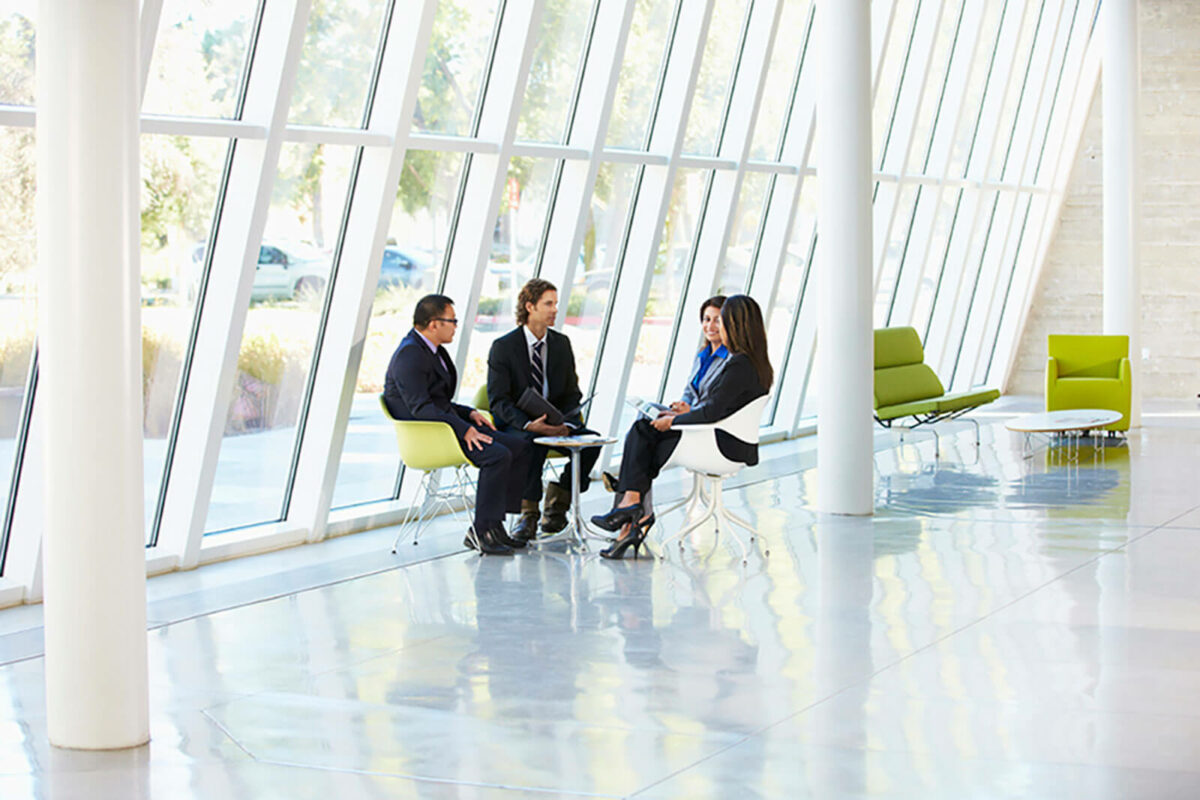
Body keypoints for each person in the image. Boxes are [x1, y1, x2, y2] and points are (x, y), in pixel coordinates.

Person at [591, 294, 773, 559]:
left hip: (721, 443)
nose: (717, 328)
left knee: (644, 434)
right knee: (645, 434)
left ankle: (633, 509)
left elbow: (711, 411)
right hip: (721, 436)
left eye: (723, 322)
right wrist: (674, 417)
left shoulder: (740, 364)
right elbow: (715, 406)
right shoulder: (751, 362)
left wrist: (672, 421)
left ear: (736, 325)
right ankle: (632, 513)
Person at [384, 294, 532, 555]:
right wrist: (464, 429)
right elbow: (421, 409)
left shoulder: (432, 351)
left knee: (520, 447)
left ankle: (494, 525)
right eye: (451, 321)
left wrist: (469, 413)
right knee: (497, 456)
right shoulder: (410, 354)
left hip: (446, 425)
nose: (455, 326)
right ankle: (482, 530)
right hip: (431, 435)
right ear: (433, 324)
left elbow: (439, 402)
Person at [487, 278, 601, 540]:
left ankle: (556, 507)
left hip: (557, 423)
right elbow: (498, 401)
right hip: (520, 426)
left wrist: (567, 423)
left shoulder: (561, 344)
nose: (554, 310)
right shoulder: (503, 348)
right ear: (530, 306)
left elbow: (572, 393)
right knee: (532, 443)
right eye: (548, 304)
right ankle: (528, 516)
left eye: (556, 304)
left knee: (591, 443)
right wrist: (529, 424)